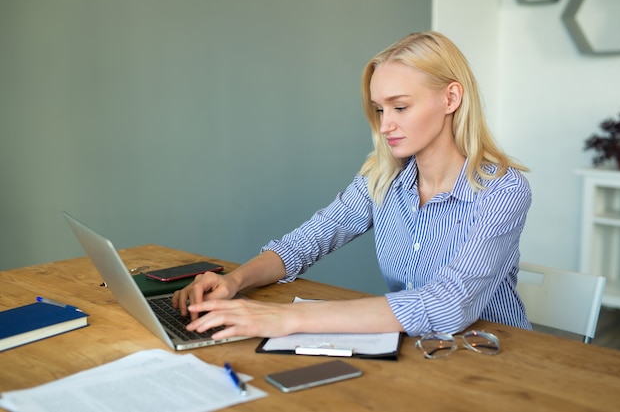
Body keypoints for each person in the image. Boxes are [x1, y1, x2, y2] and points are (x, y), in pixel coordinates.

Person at [173, 31, 532, 339]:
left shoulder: (503, 191)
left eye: (400, 107)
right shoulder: (382, 178)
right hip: (422, 354)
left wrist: (289, 318)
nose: (385, 125)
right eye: (379, 110)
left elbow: (450, 303)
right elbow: (302, 244)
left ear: (451, 99)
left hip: (494, 356)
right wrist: (233, 283)